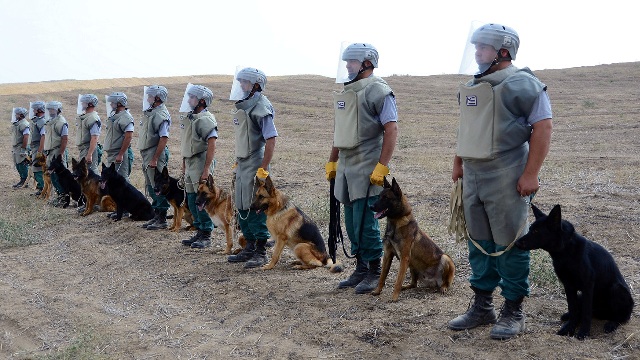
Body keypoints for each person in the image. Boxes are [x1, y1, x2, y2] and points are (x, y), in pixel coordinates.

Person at [447, 23, 553, 340]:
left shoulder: (522, 84)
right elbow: (468, 127)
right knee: (479, 241)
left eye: (483, 47)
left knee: (509, 241)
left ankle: (513, 310)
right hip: (474, 175)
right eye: (475, 46)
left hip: (507, 171)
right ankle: (482, 306)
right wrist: (458, 161)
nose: (477, 52)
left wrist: (530, 173)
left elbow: (543, 127)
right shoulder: (473, 87)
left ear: (503, 51)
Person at [326, 43, 398, 294]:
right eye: (346, 62)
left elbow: (391, 129)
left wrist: (382, 167)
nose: (347, 66)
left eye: (352, 62)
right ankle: (360, 268)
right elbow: (339, 132)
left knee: (366, 221)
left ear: (367, 63)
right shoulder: (347, 92)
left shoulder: (378, 90)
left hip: (367, 167)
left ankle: (374, 270)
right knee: (351, 220)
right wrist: (332, 160)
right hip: (346, 167)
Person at [226, 67, 278, 269]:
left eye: (245, 82)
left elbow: (271, 139)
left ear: (256, 85)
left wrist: (263, 168)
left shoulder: (261, 108)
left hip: (256, 162)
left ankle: (260, 251)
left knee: (255, 206)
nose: (241, 86)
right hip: (243, 163)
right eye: (240, 82)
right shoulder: (244, 108)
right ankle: (249, 246)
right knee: (241, 203)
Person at [179, 84, 217, 249]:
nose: (189, 100)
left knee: (202, 200)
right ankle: (199, 230)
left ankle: (206, 234)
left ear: (201, 101)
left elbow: (212, 143)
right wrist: (184, 165)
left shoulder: (206, 119)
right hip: (190, 162)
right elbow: (186, 143)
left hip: (200, 162)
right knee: (193, 200)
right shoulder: (190, 118)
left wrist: (207, 169)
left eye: (192, 97)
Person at [138, 85, 172, 231]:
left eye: (150, 96)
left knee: (158, 186)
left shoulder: (161, 115)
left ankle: (162, 218)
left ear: (157, 98)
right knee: (151, 186)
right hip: (148, 153)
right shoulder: (151, 113)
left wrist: (155, 158)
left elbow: (164, 137)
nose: (147, 98)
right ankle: (156, 214)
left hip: (154, 154)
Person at [104, 92, 134, 182]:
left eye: (113, 102)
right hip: (112, 153)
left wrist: (121, 154)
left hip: (119, 153)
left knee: (121, 180)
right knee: (112, 180)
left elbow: (128, 137)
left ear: (119, 103)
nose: (111, 104)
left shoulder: (126, 117)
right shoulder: (114, 117)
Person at [43, 101, 69, 204]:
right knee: (53, 175)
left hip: (57, 151)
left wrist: (61, 153)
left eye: (52, 109)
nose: (50, 111)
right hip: (50, 152)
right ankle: (59, 195)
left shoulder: (61, 122)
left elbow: (65, 138)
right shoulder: (49, 121)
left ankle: (64, 197)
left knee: (60, 175)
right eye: (49, 109)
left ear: (58, 110)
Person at [76, 94, 102, 174]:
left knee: (91, 173)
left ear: (90, 104)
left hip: (88, 148)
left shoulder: (92, 118)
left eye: (84, 102)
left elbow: (94, 137)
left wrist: (90, 154)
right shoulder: (86, 117)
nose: (82, 104)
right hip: (84, 149)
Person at [29, 101, 48, 195]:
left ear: (39, 110)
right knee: (36, 169)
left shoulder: (42, 121)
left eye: (34, 109)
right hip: (35, 147)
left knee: (38, 169)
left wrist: (40, 151)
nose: (33, 111)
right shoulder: (37, 121)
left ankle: (43, 189)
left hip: (39, 147)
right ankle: (41, 188)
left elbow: (43, 136)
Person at [10, 107, 31, 188]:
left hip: (21, 146)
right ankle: (22, 180)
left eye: (17, 114)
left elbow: (26, 137)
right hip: (16, 147)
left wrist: (23, 149)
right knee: (18, 164)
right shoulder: (18, 123)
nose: (15, 115)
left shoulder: (24, 124)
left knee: (22, 164)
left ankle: (24, 182)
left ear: (21, 115)